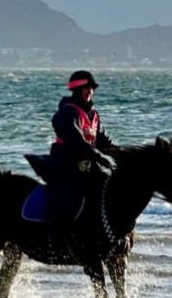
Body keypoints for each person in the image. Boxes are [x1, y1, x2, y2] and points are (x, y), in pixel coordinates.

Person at [45, 69, 120, 223]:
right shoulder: (67, 113)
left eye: (92, 89)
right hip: (66, 163)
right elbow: (76, 140)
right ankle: (57, 232)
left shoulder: (94, 115)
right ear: (77, 90)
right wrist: (99, 156)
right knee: (73, 197)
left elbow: (103, 141)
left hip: (88, 163)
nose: (90, 92)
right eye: (87, 88)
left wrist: (121, 153)